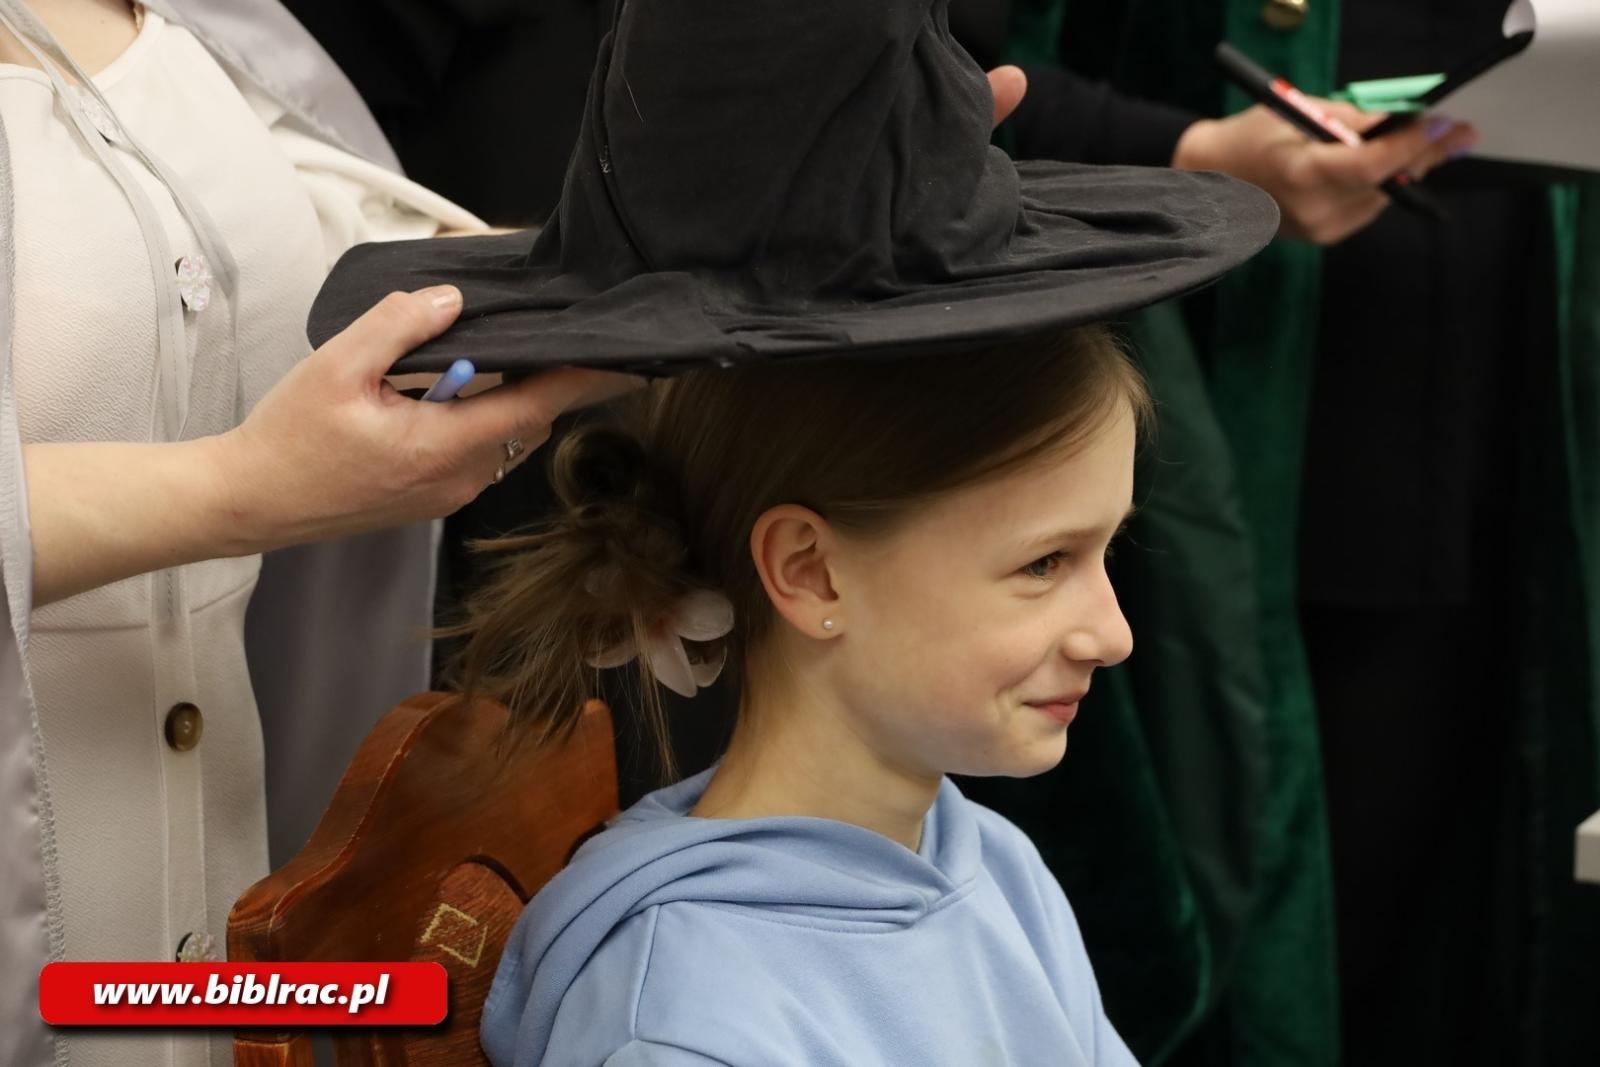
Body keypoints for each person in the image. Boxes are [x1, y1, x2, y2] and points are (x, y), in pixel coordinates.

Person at [297, 0, 1280, 1061]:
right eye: (1043, 563)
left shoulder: (989, 863)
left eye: (1104, 552)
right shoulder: (684, 1025)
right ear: (809, 572)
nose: (1115, 632)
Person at [951, 1, 1600, 1065]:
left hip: (1512, 441)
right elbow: (950, 71)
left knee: (1479, 906)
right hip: (1206, 459)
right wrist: (1188, 153)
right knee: (1245, 910)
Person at [0, 4, 632, 1066]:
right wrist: (238, 487)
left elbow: (353, 258)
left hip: (212, 954)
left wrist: (682, 270)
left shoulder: (200, 26)